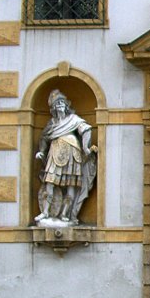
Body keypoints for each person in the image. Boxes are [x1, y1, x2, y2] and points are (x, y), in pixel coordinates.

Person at [35, 89, 97, 224]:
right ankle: (45, 212)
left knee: (71, 186)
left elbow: (86, 129)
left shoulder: (73, 119)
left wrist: (86, 147)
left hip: (73, 155)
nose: (60, 105)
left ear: (66, 105)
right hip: (55, 153)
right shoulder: (52, 123)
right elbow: (44, 137)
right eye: (57, 103)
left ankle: (65, 214)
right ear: (53, 108)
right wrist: (41, 151)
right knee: (49, 184)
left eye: (62, 102)